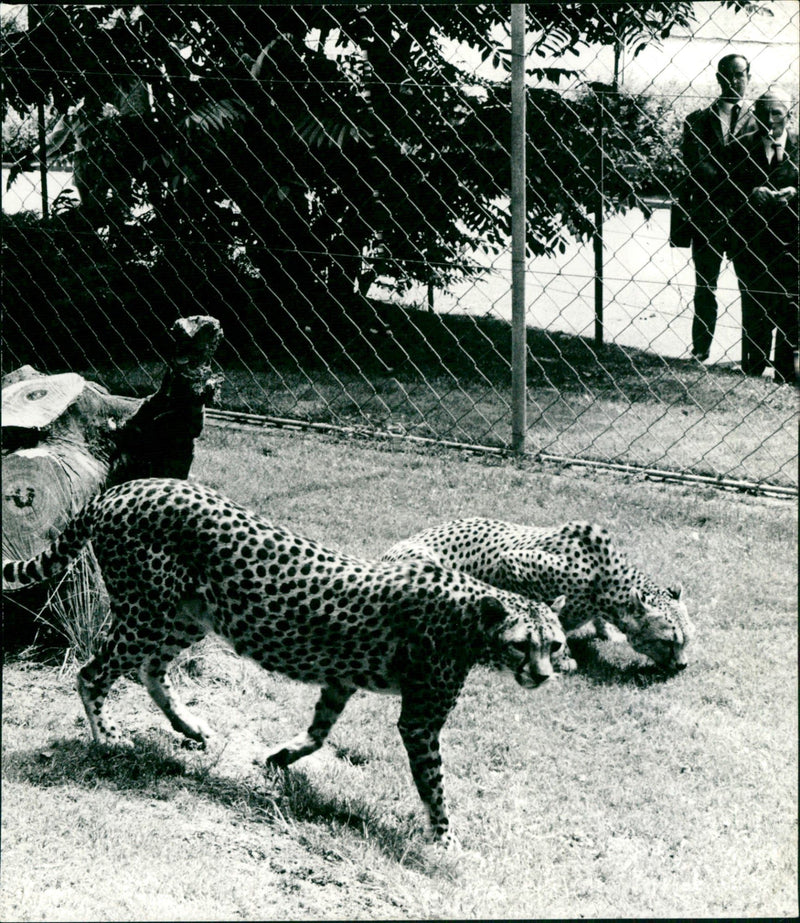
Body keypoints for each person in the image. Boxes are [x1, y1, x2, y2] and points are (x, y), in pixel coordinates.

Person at [681, 54, 755, 362]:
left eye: (741, 75)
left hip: (747, 218)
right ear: (718, 77)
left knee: (750, 288)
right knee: (705, 286)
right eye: (729, 75)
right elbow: (697, 165)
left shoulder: (760, 119)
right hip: (708, 216)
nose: (735, 82)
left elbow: (762, 168)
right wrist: (737, 184)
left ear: (749, 77)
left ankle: (753, 356)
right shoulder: (697, 120)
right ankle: (701, 349)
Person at [728, 89, 798, 384]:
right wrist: (750, 194)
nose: (768, 120)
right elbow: (724, 191)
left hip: (793, 243)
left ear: (789, 116)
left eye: (776, 113)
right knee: (753, 303)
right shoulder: (739, 148)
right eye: (762, 113)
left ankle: (785, 371)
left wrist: (795, 194)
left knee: (791, 305)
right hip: (752, 242)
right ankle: (753, 367)